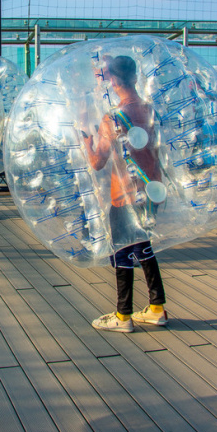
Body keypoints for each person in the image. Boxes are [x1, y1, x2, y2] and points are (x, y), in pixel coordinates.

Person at [82, 55, 167, 333]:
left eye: (107, 77)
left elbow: (97, 162)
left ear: (115, 80)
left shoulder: (114, 116)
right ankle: (156, 309)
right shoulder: (147, 109)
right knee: (143, 245)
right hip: (152, 190)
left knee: (122, 251)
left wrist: (84, 136)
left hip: (124, 195)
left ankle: (123, 315)